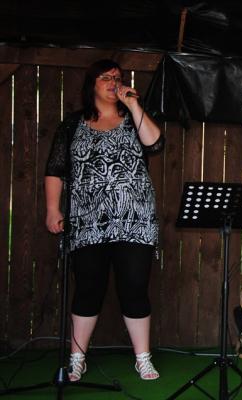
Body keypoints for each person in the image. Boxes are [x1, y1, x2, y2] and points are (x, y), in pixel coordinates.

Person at [44, 59, 163, 381]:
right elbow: (55, 169)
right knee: (88, 287)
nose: (113, 82)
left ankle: (143, 358)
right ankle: (76, 358)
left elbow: (155, 143)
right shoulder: (73, 124)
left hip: (135, 219)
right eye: (106, 77)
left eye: (118, 78)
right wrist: (53, 209)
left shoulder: (133, 118)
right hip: (87, 220)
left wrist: (133, 105)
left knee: (134, 287)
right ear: (92, 84)